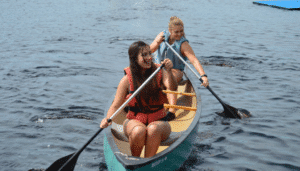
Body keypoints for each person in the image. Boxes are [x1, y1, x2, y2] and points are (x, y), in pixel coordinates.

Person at [100, 41, 177, 158]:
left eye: (149, 54)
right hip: (134, 121)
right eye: (144, 55)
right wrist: (107, 119)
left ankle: (146, 163)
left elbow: (172, 87)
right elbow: (116, 105)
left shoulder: (160, 71)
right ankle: (135, 162)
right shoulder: (126, 80)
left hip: (159, 122)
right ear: (134, 58)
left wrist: (170, 71)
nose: (149, 57)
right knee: (138, 131)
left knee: (153, 129)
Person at [150, 16, 209, 114]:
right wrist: (157, 42)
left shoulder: (183, 44)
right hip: (158, 68)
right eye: (176, 32)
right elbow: (150, 50)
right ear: (170, 30)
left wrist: (203, 76)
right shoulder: (162, 36)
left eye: (181, 31)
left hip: (175, 70)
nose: (180, 34)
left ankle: (172, 111)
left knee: (168, 82)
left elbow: (194, 60)